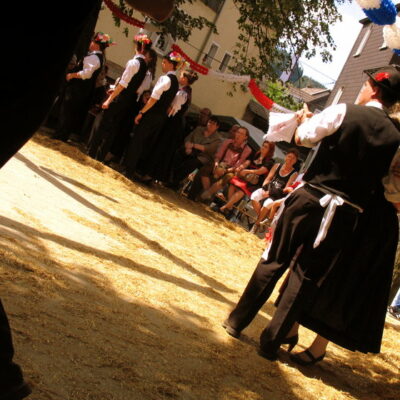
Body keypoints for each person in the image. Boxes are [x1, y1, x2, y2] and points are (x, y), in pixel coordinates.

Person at [1, 3, 177, 399]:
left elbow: (160, 8)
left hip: (24, 61)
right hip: (31, 65)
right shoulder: (149, 72)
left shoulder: (137, 68)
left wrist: (114, 102)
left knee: (101, 132)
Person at [223, 65, 400, 365]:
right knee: (306, 278)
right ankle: (271, 343)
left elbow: (303, 137)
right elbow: (388, 181)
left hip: (311, 198)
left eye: (366, 83)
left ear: (375, 89)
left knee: (275, 259)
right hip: (345, 214)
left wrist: (307, 119)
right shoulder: (397, 137)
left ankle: (237, 321)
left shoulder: (344, 111)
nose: (362, 86)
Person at [86, 33, 152, 161]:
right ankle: (100, 154)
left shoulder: (134, 62)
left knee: (102, 121)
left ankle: (91, 151)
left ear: (139, 47)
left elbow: (123, 83)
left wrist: (110, 99)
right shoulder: (144, 66)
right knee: (113, 127)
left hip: (120, 97)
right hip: (128, 99)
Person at [123, 51, 180, 179]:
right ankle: (134, 168)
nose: (162, 65)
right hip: (160, 117)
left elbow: (154, 99)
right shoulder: (176, 82)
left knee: (138, 140)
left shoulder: (165, 79)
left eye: (165, 62)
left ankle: (129, 169)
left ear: (171, 64)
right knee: (144, 142)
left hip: (152, 113)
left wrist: (142, 112)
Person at [138, 69, 199, 182]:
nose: (179, 78)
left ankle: (150, 174)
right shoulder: (186, 91)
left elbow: (171, 110)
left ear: (185, 79)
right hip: (172, 123)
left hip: (172, 124)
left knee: (161, 148)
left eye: (181, 76)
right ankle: (148, 172)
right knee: (160, 147)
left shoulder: (183, 93)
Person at [54, 31, 113, 142]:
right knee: (69, 114)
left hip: (78, 89)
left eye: (92, 40)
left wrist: (72, 75)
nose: (90, 42)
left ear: (97, 44)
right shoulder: (97, 57)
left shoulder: (94, 57)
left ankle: (60, 136)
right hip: (82, 90)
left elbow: (86, 74)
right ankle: (61, 135)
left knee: (67, 113)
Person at [192, 126, 252, 201]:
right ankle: (207, 194)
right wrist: (217, 164)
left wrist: (225, 170)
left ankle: (203, 196)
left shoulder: (247, 150)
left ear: (245, 137)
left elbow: (238, 165)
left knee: (226, 178)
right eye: (238, 132)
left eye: (241, 133)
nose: (238, 135)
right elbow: (218, 155)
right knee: (204, 170)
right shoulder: (227, 141)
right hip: (220, 163)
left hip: (231, 169)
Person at [218, 140, 275, 215]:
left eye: (266, 147)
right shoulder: (256, 155)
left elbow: (261, 171)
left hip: (255, 183)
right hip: (245, 178)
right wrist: (241, 168)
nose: (263, 148)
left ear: (270, 150)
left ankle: (224, 207)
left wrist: (247, 171)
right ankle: (230, 207)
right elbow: (247, 162)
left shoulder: (270, 161)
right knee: (233, 184)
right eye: (263, 146)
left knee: (242, 190)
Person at [249, 149, 299, 233]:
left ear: (295, 161)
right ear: (286, 157)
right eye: (289, 156)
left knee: (267, 204)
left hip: (277, 195)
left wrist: (270, 193)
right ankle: (262, 218)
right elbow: (268, 178)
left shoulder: (294, 173)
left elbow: (285, 190)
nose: (290, 159)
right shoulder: (277, 165)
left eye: (293, 158)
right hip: (268, 188)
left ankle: (256, 224)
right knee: (254, 196)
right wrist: (265, 188)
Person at [168, 116, 223, 190]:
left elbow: (208, 149)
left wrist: (193, 145)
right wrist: (188, 146)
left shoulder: (218, 139)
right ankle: (169, 177)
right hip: (191, 150)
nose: (210, 124)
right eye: (209, 122)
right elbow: (188, 138)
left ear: (217, 127)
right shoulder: (199, 129)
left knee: (190, 163)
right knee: (178, 154)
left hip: (203, 156)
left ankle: (174, 182)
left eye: (213, 124)